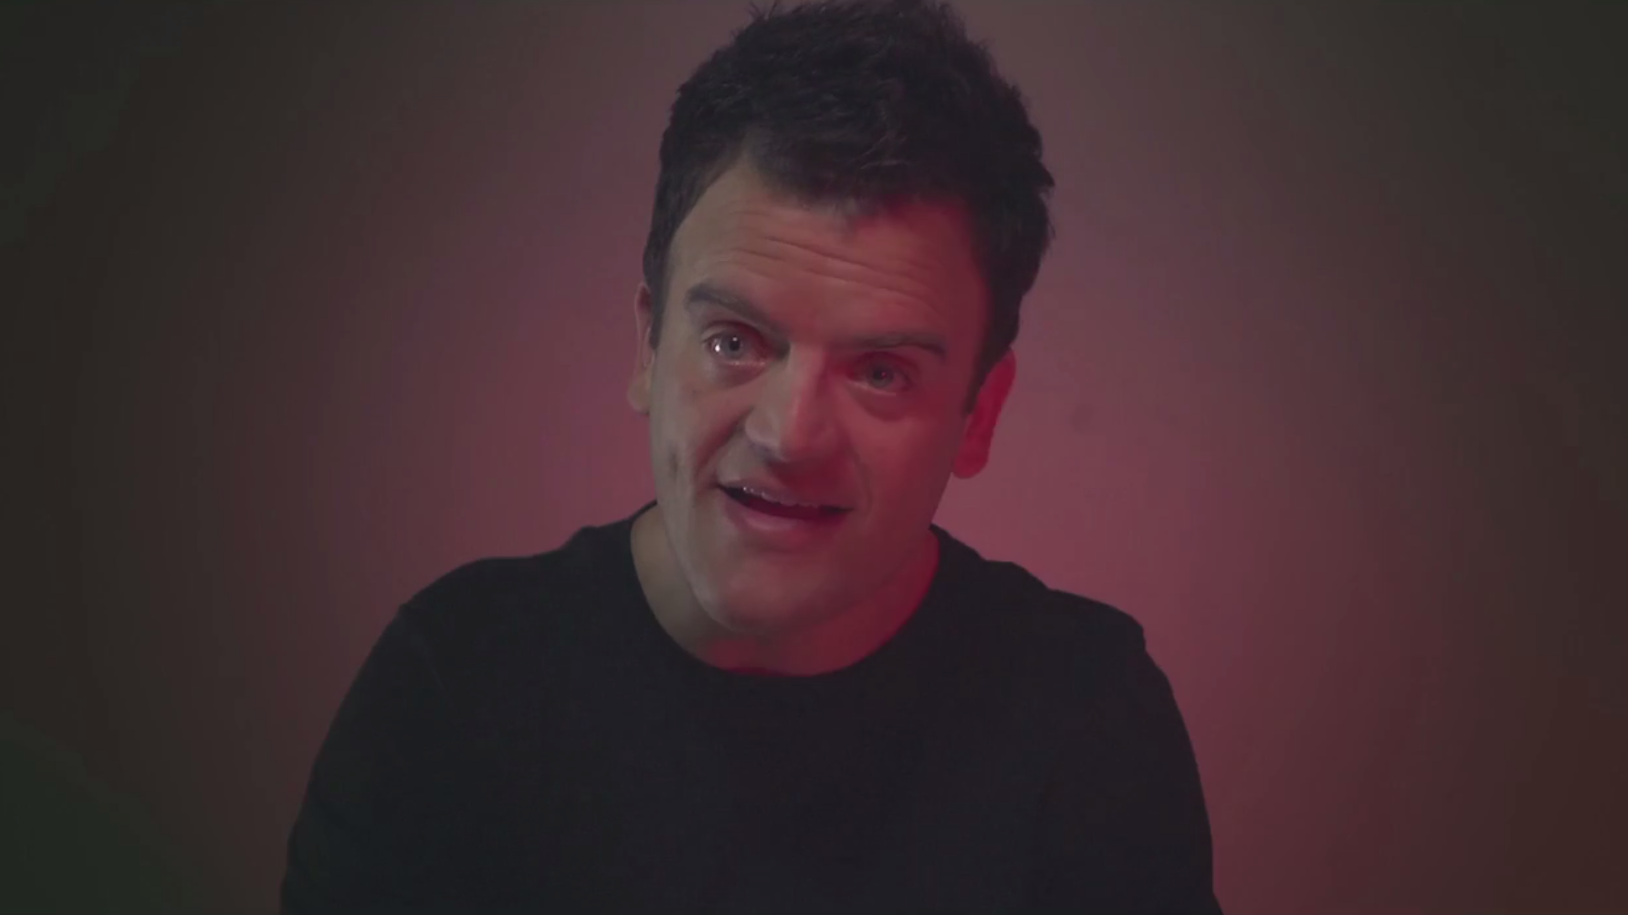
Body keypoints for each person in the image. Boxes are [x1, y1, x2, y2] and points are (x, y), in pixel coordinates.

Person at [281, 0, 1223, 911]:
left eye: (882, 372)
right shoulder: (453, 684)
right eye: (734, 340)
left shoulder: (1085, 718)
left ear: (979, 414)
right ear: (648, 345)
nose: (788, 434)